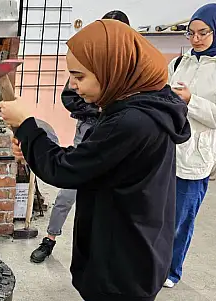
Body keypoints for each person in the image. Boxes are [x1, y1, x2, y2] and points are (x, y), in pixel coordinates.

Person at [0, 20, 190, 301]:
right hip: (139, 253)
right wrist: (33, 141)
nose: (73, 85)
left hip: (119, 262)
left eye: (79, 75)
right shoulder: (143, 108)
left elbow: (65, 169)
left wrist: (27, 126)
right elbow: (89, 163)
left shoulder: (132, 121)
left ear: (112, 69)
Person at [30, 9, 130, 263]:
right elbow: (69, 97)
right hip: (87, 133)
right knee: (67, 192)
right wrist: (96, 108)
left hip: (117, 139)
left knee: (108, 199)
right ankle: (49, 239)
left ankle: (104, 253)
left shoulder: (132, 71)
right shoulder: (87, 62)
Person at [164, 3, 216, 288]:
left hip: (197, 156)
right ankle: (152, 263)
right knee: (157, 214)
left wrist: (191, 102)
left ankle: (171, 271)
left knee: (180, 219)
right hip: (166, 152)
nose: (196, 39)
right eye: (191, 33)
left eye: (203, 32)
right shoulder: (179, 64)